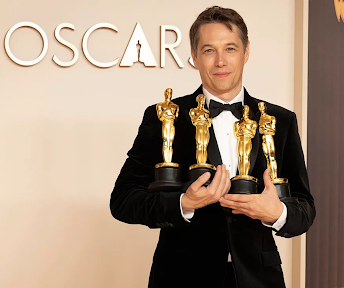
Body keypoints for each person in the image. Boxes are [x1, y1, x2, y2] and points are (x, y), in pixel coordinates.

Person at [110, 6, 315, 288]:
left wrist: (277, 213)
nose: (221, 61)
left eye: (230, 48)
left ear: (246, 52)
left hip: (258, 280)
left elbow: (305, 209)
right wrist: (183, 203)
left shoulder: (280, 120)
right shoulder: (164, 115)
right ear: (194, 57)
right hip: (181, 278)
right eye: (209, 50)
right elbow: (122, 201)